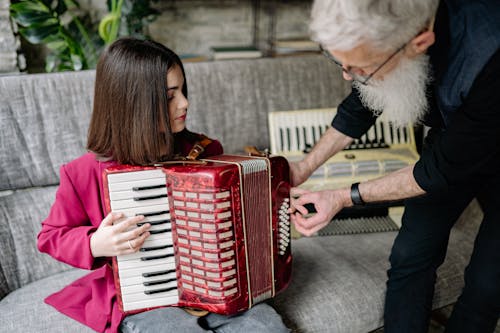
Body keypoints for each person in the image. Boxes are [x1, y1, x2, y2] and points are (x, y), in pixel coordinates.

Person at [37, 37, 289, 333]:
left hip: (217, 287)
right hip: (147, 295)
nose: (185, 103)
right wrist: (95, 243)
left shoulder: (206, 153)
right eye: (170, 96)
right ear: (134, 104)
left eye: (182, 90)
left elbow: (236, 220)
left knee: (267, 328)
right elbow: (50, 236)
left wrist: (274, 209)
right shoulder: (83, 172)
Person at [289, 0, 500, 332]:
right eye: (340, 63)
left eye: (360, 69)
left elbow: (437, 172)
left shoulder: (490, 53)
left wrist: (343, 197)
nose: (347, 75)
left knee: (488, 283)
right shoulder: (392, 28)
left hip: (483, 135)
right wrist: (303, 167)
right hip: (454, 136)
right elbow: (360, 105)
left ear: (419, 43)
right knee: (410, 255)